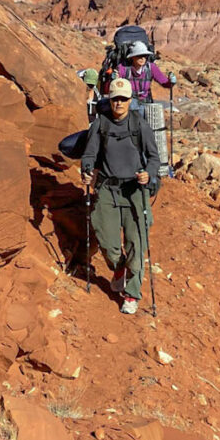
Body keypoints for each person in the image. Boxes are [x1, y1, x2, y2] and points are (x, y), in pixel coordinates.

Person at [81, 77, 160, 315]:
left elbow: (154, 158)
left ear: (130, 100)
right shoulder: (100, 125)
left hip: (135, 191)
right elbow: (89, 155)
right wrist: (86, 171)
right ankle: (118, 269)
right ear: (110, 100)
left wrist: (149, 174)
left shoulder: (139, 125)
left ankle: (132, 294)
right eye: (115, 98)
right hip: (107, 189)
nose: (119, 103)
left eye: (123, 99)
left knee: (137, 244)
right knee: (107, 241)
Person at [103, 39, 171, 106]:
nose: (142, 58)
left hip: (146, 102)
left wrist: (171, 82)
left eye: (145, 56)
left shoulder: (151, 67)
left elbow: (166, 84)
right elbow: (108, 90)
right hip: (128, 103)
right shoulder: (123, 68)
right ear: (132, 57)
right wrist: (112, 80)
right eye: (139, 56)